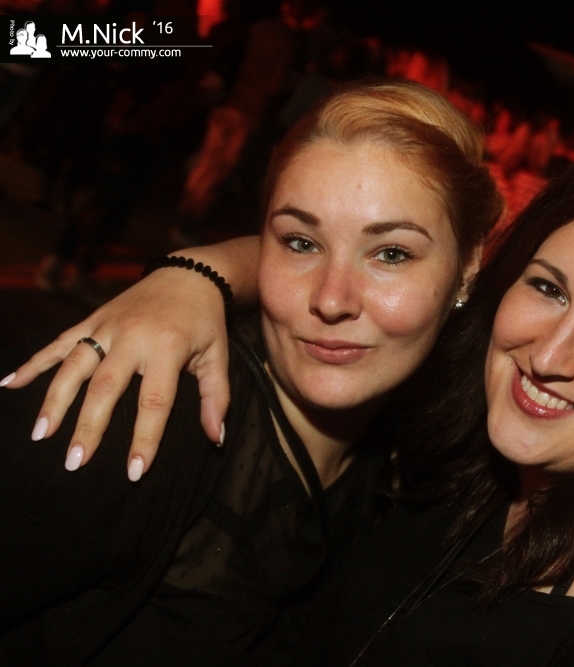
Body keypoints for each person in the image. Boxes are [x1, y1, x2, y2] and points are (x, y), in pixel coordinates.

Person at [9, 150, 574, 665]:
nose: (549, 353)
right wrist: (194, 276)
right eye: (548, 288)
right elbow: (359, 267)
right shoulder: (467, 451)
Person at [0, 79, 502, 664]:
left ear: (468, 267)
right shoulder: (135, 419)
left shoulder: (419, 464)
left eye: (391, 253)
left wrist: (204, 269)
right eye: (301, 243)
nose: (332, 299)